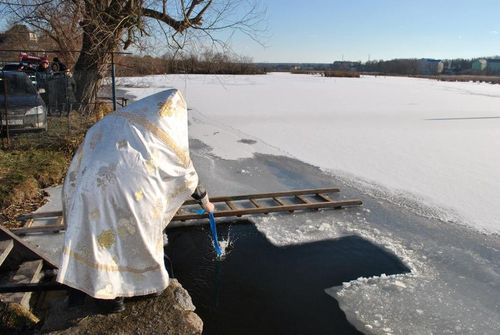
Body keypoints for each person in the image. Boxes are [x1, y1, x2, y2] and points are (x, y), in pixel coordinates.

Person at [56, 89, 214, 313]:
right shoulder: (164, 134)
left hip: (89, 186)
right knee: (134, 239)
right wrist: (206, 202)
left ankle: (101, 295)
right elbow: (187, 175)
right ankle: (141, 287)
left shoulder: (114, 120)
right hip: (134, 195)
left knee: (96, 237)